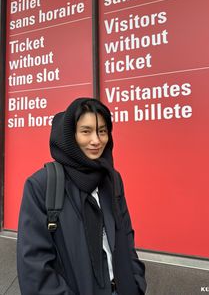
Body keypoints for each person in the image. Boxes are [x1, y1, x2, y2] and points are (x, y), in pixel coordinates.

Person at [17, 97, 147, 295]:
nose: (96, 140)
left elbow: (126, 236)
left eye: (102, 131)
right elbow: (34, 266)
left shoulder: (111, 179)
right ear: (70, 135)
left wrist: (137, 282)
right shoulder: (42, 184)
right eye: (86, 131)